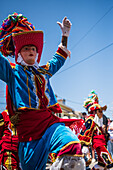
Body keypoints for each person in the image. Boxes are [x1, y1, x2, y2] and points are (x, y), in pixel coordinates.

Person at [0, 13, 85, 170]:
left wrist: (65, 35)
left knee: (72, 148)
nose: (31, 50)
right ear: (19, 53)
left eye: (34, 48)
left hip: (48, 123)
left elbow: (58, 59)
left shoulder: (44, 71)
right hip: (27, 131)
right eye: (26, 48)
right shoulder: (12, 72)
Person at [78, 91, 113, 170]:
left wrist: (109, 137)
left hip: (102, 144)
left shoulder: (97, 120)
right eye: (99, 111)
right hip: (98, 145)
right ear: (95, 111)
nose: (101, 113)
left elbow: (101, 131)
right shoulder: (90, 120)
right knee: (109, 163)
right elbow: (86, 132)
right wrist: (85, 146)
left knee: (101, 166)